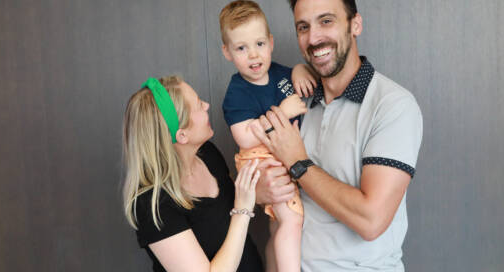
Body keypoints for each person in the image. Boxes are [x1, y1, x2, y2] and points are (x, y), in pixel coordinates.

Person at [250, 0, 423, 270]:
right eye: (303, 27)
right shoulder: (296, 100)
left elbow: (371, 220)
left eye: (326, 21)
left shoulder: (393, 105)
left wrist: (298, 163)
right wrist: (260, 192)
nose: (314, 38)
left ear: (355, 24)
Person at [122, 76, 264, 272]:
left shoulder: (208, 154)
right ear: (182, 135)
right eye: (198, 105)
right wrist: (242, 212)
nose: (207, 105)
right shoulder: (152, 204)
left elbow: (231, 216)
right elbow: (240, 210)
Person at [219, 1, 317, 271]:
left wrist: (300, 69)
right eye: (241, 48)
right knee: (292, 220)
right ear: (227, 52)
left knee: (278, 226)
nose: (253, 55)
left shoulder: (279, 73)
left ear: (271, 43)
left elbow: (307, 76)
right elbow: (246, 139)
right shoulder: (237, 92)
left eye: (259, 44)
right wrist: (282, 114)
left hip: (282, 152)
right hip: (261, 159)